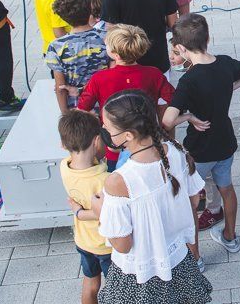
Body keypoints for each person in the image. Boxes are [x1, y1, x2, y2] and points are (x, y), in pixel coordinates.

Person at [90, 90, 212, 304]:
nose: (104, 130)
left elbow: (122, 245)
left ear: (127, 136)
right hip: (178, 260)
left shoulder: (119, 181)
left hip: (137, 275)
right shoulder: (177, 151)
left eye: (107, 127)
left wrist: (101, 212)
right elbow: (193, 202)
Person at [161, 14, 240, 254]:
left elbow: (167, 120)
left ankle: (195, 256)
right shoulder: (225, 63)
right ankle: (230, 236)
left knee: (191, 201)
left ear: (181, 49)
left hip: (200, 150)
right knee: (226, 188)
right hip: (225, 142)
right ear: (208, 39)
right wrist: (229, 87)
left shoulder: (189, 81)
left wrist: (189, 117)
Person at [77, 25, 175, 171]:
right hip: (146, 137)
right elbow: (174, 98)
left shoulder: (99, 78)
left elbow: (83, 107)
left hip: (114, 143)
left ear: (115, 55)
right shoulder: (153, 73)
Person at [58, 110, 111, 304]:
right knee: (116, 286)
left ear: (63, 144)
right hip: (105, 245)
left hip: (83, 241)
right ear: (97, 141)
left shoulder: (64, 166)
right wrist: (79, 213)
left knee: (90, 283)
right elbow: (102, 212)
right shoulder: (104, 180)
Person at [45, 0, 110, 112]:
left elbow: (61, 88)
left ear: (62, 15)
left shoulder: (56, 47)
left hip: (77, 112)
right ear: (89, 7)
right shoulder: (108, 38)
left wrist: (65, 116)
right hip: (106, 109)